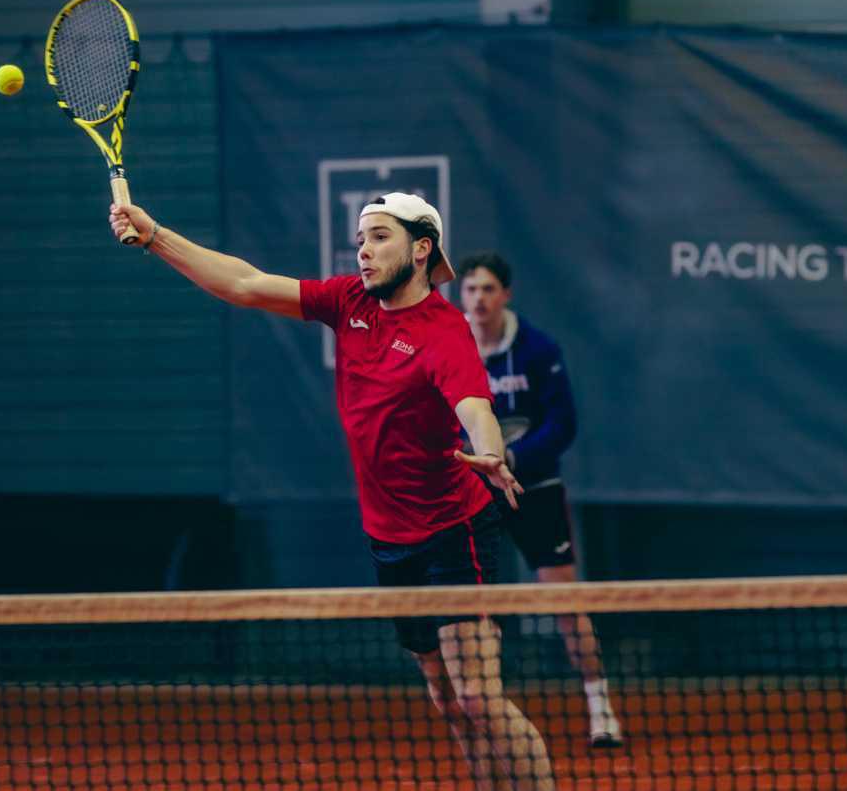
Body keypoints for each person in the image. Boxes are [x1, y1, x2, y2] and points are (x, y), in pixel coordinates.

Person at [111, 193, 555, 790]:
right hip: (390, 541)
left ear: (421, 249)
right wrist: (156, 236)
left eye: (379, 238)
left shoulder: (444, 331)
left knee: (478, 696)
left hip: (455, 532)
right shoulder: (349, 302)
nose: (364, 251)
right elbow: (245, 283)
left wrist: (492, 451)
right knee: (447, 699)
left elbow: (474, 407)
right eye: (361, 239)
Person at [457, 252, 624, 749]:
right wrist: (475, 462)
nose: (479, 299)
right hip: (474, 493)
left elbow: (562, 425)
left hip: (535, 489)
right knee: (473, 608)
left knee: (565, 603)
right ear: (460, 296)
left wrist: (511, 457)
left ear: (505, 295)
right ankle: (486, 711)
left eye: (489, 289)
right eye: (471, 290)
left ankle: (601, 708)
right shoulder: (450, 345)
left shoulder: (538, 349)